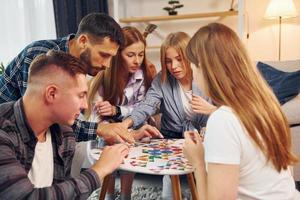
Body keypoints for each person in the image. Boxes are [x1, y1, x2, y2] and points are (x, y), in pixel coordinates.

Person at [183, 23, 300, 200]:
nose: (194, 77)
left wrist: (198, 163)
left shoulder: (222, 120)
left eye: (192, 68)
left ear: (202, 68)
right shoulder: (267, 108)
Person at [0, 50, 129, 199]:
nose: (85, 105)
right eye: (81, 95)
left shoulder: (65, 133)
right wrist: (99, 170)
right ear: (52, 94)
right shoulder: (4, 132)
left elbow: (64, 193)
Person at [0, 12, 134, 144]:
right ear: (83, 41)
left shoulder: (80, 66)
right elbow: (38, 120)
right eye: (104, 55)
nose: (107, 65)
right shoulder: (41, 55)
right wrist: (99, 129)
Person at [121, 32, 215, 199]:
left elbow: (231, 111)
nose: (174, 66)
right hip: (171, 137)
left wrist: (211, 111)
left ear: (190, 56)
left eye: (179, 59)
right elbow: (147, 104)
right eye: (168, 61)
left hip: (205, 138)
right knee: (168, 194)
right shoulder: (162, 79)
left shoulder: (206, 77)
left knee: (209, 188)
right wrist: (125, 124)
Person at [85, 26, 159, 200]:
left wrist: (116, 110)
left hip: (132, 125)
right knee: (109, 145)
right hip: (104, 128)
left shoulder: (143, 75)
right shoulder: (103, 74)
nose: (137, 61)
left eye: (141, 55)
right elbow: (96, 116)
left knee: (128, 145)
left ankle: (126, 195)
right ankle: (109, 194)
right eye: (130, 55)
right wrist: (107, 115)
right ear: (118, 54)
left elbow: (141, 108)